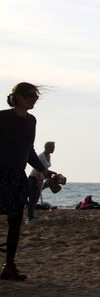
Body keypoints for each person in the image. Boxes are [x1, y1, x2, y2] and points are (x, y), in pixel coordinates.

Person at [0, 82, 55, 280]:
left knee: (15, 223)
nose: (34, 100)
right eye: (30, 96)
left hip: (17, 176)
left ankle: (9, 267)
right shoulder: (3, 117)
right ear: (18, 97)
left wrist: (44, 170)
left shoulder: (31, 121)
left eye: (36, 97)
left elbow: (29, 150)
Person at [26, 141, 54, 224]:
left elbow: (45, 169)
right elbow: (37, 170)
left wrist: (48, 178)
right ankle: (30, 218)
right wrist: (39, 182)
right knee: (32, 199)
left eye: (53, 147)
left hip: (40, 179)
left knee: (35, 199)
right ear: (47, 147)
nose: (53, 149)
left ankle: (31, 217)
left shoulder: (48, 156)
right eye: (52, 147)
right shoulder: (41, 156)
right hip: (34, 178)